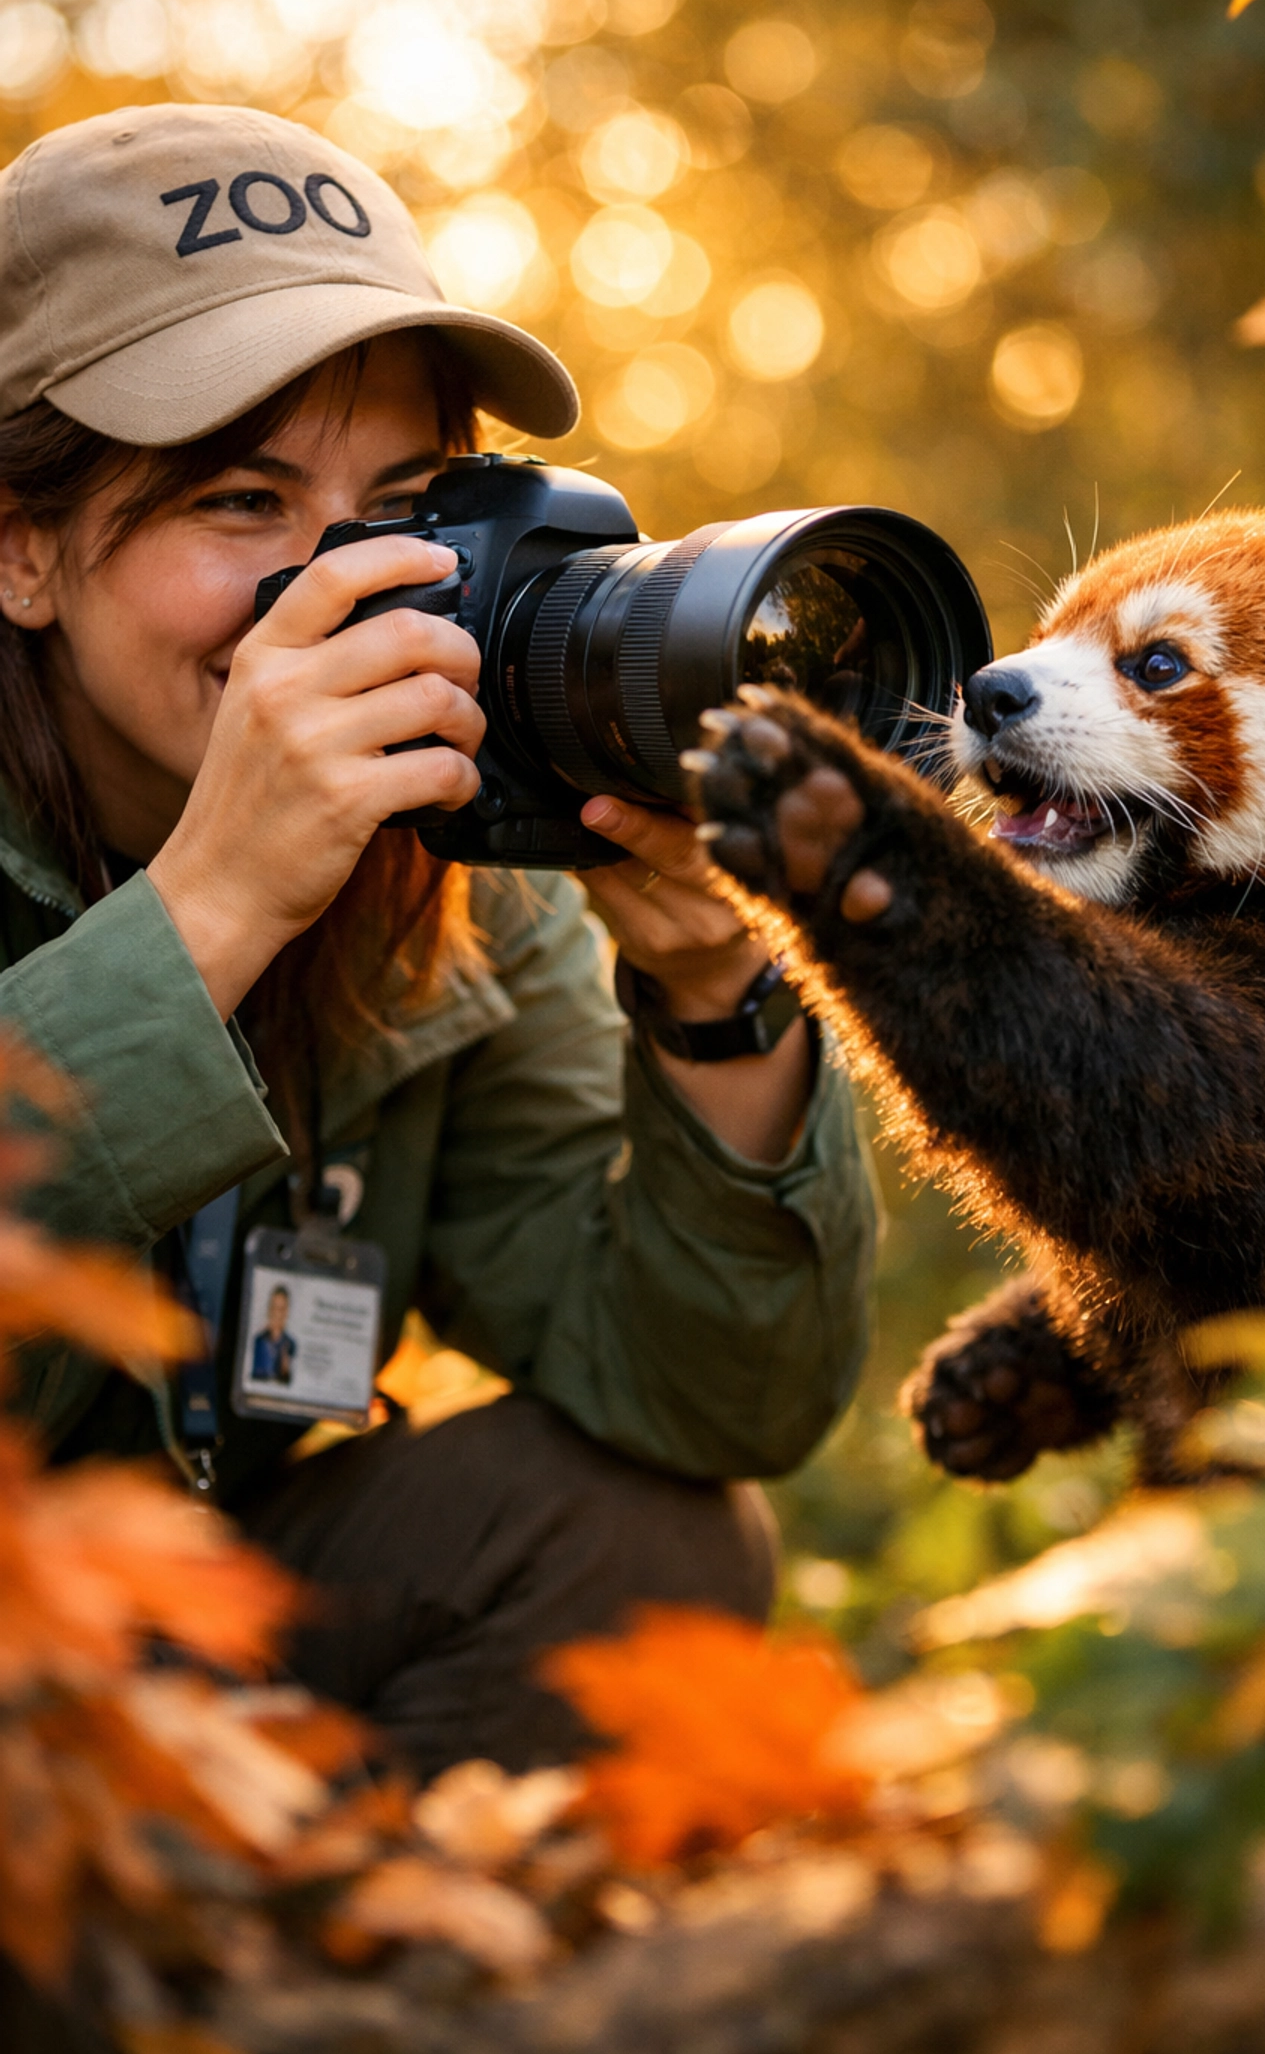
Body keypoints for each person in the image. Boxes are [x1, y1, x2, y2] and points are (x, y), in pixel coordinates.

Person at [0, 104, 879, 1777]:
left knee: (646, 1544)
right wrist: (214, 905)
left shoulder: (450, 861)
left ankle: (355, 1989)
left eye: (402, 498)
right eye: (244, 499)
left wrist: (713, 988)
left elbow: (714, 1404)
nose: (352, 582)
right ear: (22, 545)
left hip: (198, 1637)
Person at [249, 1285, 296, 1385]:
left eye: (281, 1309)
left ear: (286, 1312)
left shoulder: (290, 1344)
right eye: (274, 1308)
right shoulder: (259, 1340)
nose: (277, 1314)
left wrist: (285, 1371)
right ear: (269, 1309)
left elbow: (291, 1384)